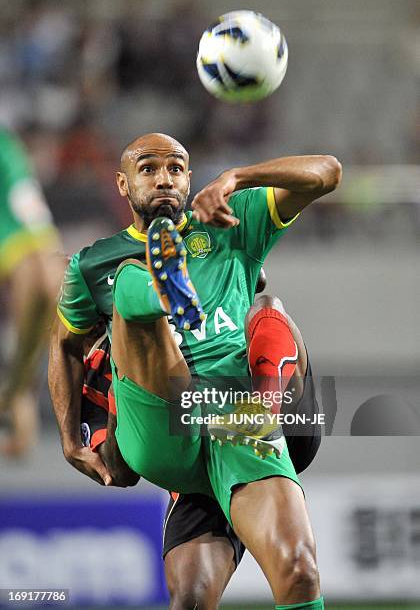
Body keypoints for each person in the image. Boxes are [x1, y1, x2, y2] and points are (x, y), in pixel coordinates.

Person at [49, 132, 341, 609]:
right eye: (148, 169)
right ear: (123, 185)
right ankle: (161, 293)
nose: (164, 177)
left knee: (297, 572)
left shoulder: (232, 219)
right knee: (128, 281)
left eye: (176, 168)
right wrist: (69, 439)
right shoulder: (90, 264)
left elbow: (327, 171)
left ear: (188, 180)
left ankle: (255, 413)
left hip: (234, 419)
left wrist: (238, 175)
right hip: (160, 419)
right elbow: (62, 346)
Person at [78, 269, 322, 609]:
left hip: (265, 422)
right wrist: (121, 394)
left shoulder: (180, 301)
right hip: (198, 473)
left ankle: (262, 415)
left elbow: (258, 279)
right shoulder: (93, 377)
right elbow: (119, 473)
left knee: (267, 308)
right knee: (191, 598)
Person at [0, 128, 63, 457]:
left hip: (21, 244)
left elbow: (24, 198)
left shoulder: (5, 148)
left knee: (47, 280)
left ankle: (17, 394)